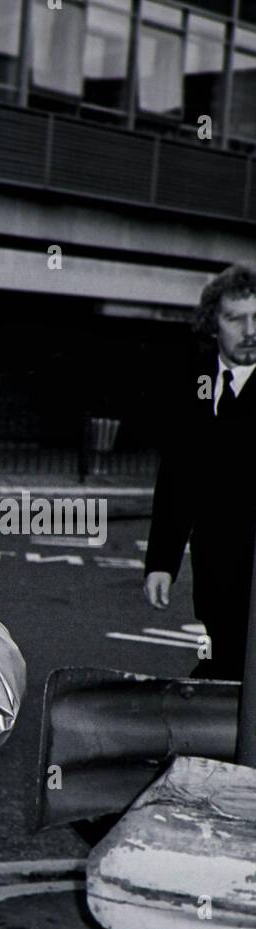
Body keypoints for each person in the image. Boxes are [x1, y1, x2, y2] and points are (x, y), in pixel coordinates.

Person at [145, 262, 256, 680]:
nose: (250, 330)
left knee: (228, 671)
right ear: (214, 324)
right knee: (225, 661)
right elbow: (178, 479)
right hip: (215, 571)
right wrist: (161, 563)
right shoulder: (194, 380)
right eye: (236, 318)